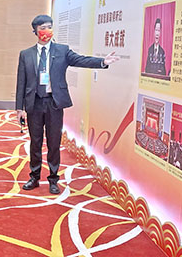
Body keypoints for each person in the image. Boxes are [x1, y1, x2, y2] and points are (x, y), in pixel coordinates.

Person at [16, 15, 119, 194]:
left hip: (54, 103)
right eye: (42, 28)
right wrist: (19, 108)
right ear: (35, 31)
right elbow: (21, 82)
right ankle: (34, 177)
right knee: (35, 142)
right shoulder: (26, 54)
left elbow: (81, 60)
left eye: (49, 27)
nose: (47, 31)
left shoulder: (62, 51)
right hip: (34, 103)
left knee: (54, 142)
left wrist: (102, 62)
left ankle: (53, 179)